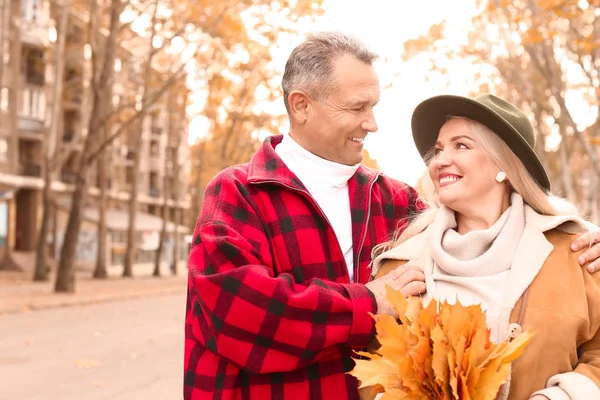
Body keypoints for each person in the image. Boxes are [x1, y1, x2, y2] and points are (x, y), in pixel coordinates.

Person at [183, 32, 600, 400]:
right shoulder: (241, 192)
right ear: (301, 105)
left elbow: (481, 223)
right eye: (357, 107)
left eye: (375, 105)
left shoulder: (397, 204)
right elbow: (239, 311)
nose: (373, 123)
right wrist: (368, 302)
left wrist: (586, 240)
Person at [370, 94, 600, 400]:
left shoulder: (577, 252)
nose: (439, 160)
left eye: (461, 145)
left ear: (502, 165)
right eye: (438, 150)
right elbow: (372, 369)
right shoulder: (398, 267)